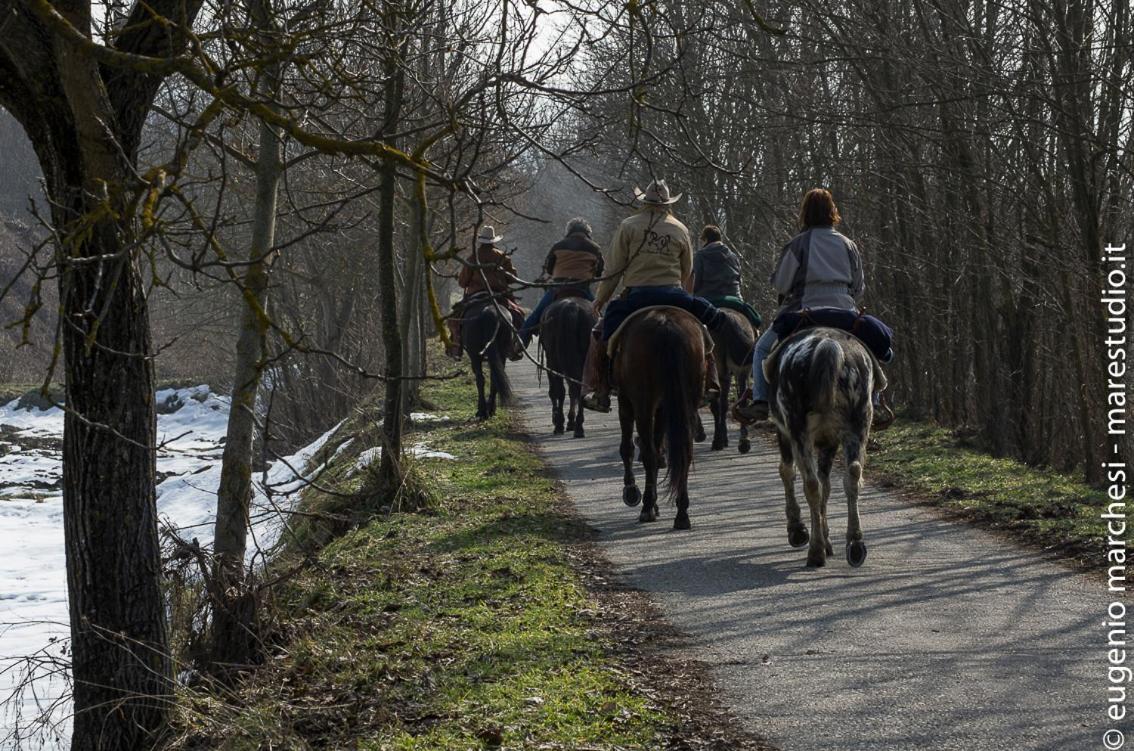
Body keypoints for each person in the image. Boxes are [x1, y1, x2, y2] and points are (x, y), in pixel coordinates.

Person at [733, 188, 892, 429]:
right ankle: (875, 402)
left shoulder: (797, 244)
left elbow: (782, 284)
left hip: (804, 311)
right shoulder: (849, 245)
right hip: (844, 311)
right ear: (832, 212)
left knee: (762, 350)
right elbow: (859, 289)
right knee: (870, 350)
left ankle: (761, 401)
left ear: (804, 213)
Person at [580, 179, 743, 413]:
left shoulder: (629, 226)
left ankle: (601, 389)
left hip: (637, 295)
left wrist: (601, 299)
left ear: (644, 201)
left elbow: (614, 269)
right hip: (674, 294)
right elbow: (687, 270)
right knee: (704, 332)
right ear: (668, 203)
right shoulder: (679, 228)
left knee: (601, 335)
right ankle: (709, 384)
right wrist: (685, 295)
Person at [519, 218, 604, 346]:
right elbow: (599, 271)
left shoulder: (558, 246)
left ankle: (520, 342)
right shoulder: (595, 248)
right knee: (600, 318)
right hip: (582, 289)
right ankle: (605, 350)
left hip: (558, 288)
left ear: (569, 231)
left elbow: (549, 268)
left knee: (535, 315)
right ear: (587, 232)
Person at [447, 225, 525, 360]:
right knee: (519, 315)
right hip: (498, 295)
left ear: (480, 241)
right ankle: (512, 346)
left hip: (475, 295)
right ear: (493, 241)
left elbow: (462, 282)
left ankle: (457, 348)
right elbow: (512, 277)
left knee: (453, 319)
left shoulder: (472, 257)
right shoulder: (502, 257)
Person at [691, 225, 762, 329]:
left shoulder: (700, 256)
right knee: (755, 323)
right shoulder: (734, 256)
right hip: (734, 299)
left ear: (705, 239)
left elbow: (696, 284)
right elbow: (739, 280)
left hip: (708, 299)